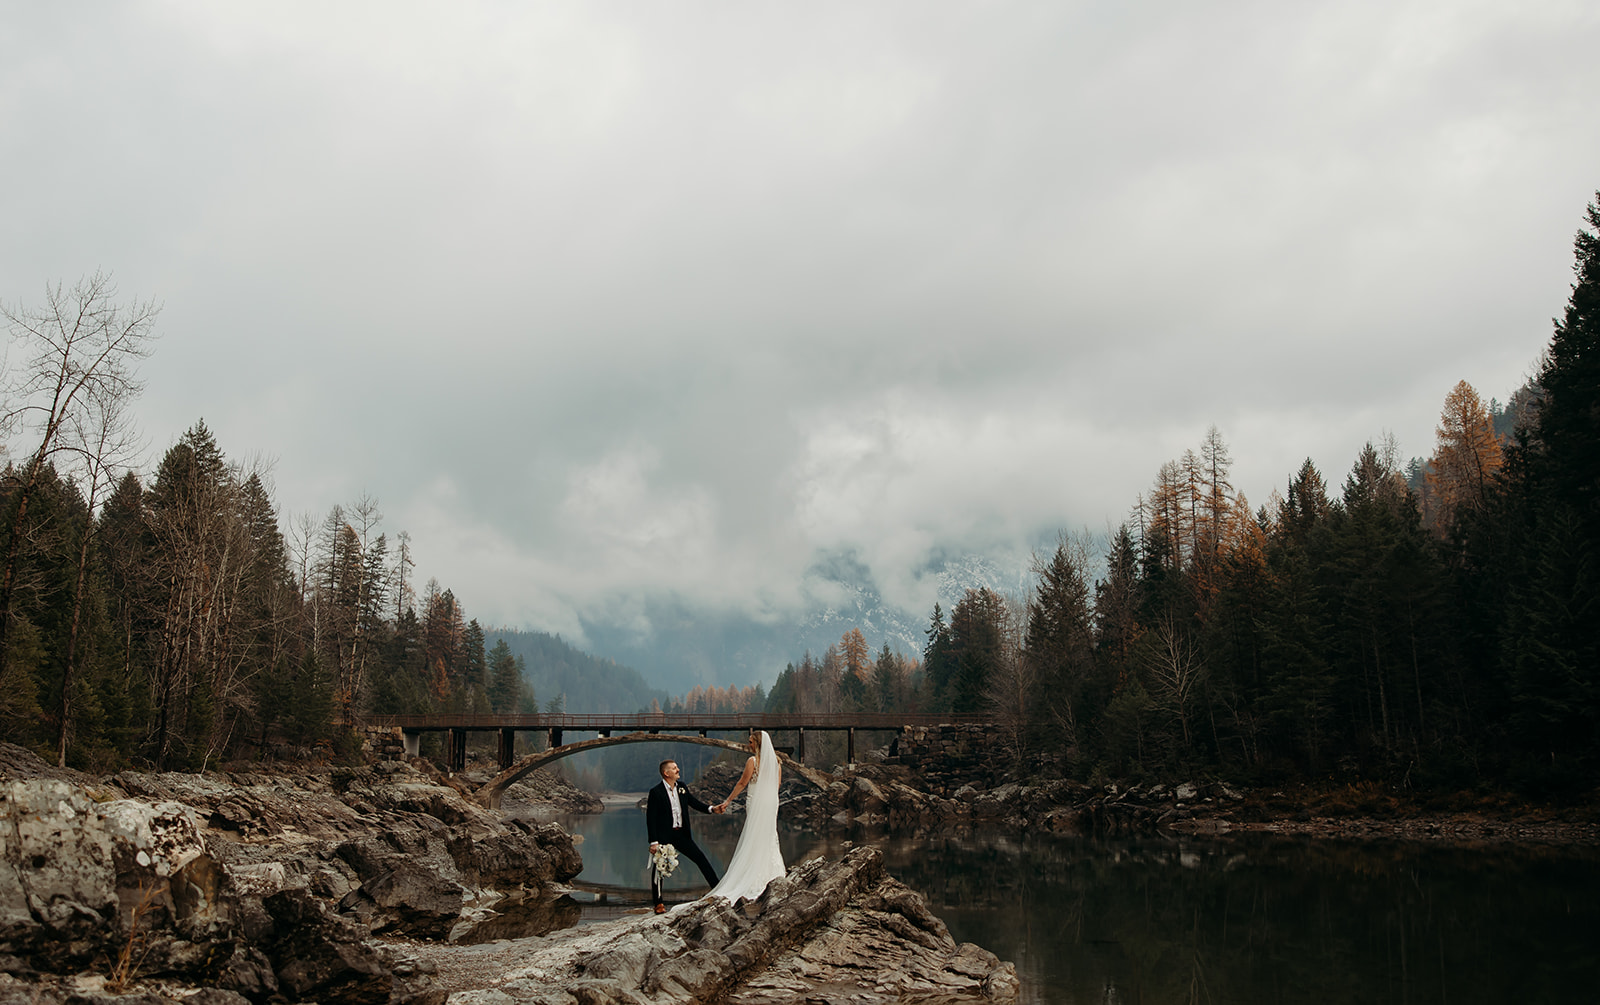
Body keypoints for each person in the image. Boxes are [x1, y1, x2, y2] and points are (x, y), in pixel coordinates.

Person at [707, 730, 786, 903]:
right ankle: (772, 875)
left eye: (751, 741)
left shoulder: (753, 761)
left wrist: (728, 800)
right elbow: (777, 785)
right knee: (769, 834)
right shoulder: (777, 763)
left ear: (758, 744)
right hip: (771, 801)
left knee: (754, 835)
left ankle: (754, 876)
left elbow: (742, 783)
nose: (748, 744)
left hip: (756, 800)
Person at [647, 758, 721, 914]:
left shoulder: (682, 787)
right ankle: (658, 903)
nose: (678, 770)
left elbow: (694, 803)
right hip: (665, 836)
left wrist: (712, 809)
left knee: (701, 859)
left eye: (677, 767)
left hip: (682, 834)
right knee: (660, 868)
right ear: (666, 773)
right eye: (674, 768)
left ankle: (718, 889)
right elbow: (651, 818)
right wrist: (654, 842)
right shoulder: (656, 792)